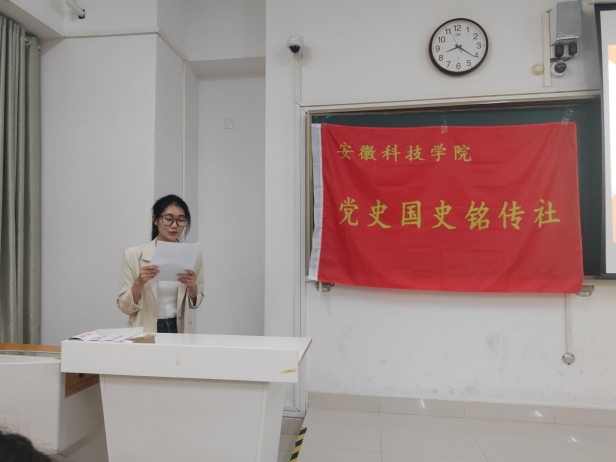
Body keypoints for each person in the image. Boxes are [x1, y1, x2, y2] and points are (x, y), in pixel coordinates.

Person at [116, 194, 204, 333]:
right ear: (155, 219)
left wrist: (192, 287)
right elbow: (124, 307)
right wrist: (139, 282)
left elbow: (195, 303)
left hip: (179, 329)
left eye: (181, 220)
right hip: (145, 329)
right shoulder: (133, 255)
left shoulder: (193, 255)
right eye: (168, 219)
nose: (174, 225)